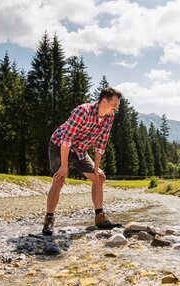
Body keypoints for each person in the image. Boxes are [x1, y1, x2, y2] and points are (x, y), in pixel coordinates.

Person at [43, 87, 123, 236]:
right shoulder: (82, 111)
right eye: (115, 105)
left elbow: (101, 144)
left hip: (80, 150)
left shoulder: (109, 117)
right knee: (59, 180)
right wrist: (64, 166)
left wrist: (96, 168)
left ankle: (100, 218)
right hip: (59, 145)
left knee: (99, 178)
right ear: (104, 101)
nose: (116, 108)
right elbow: (66, 140)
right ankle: (49, 220)